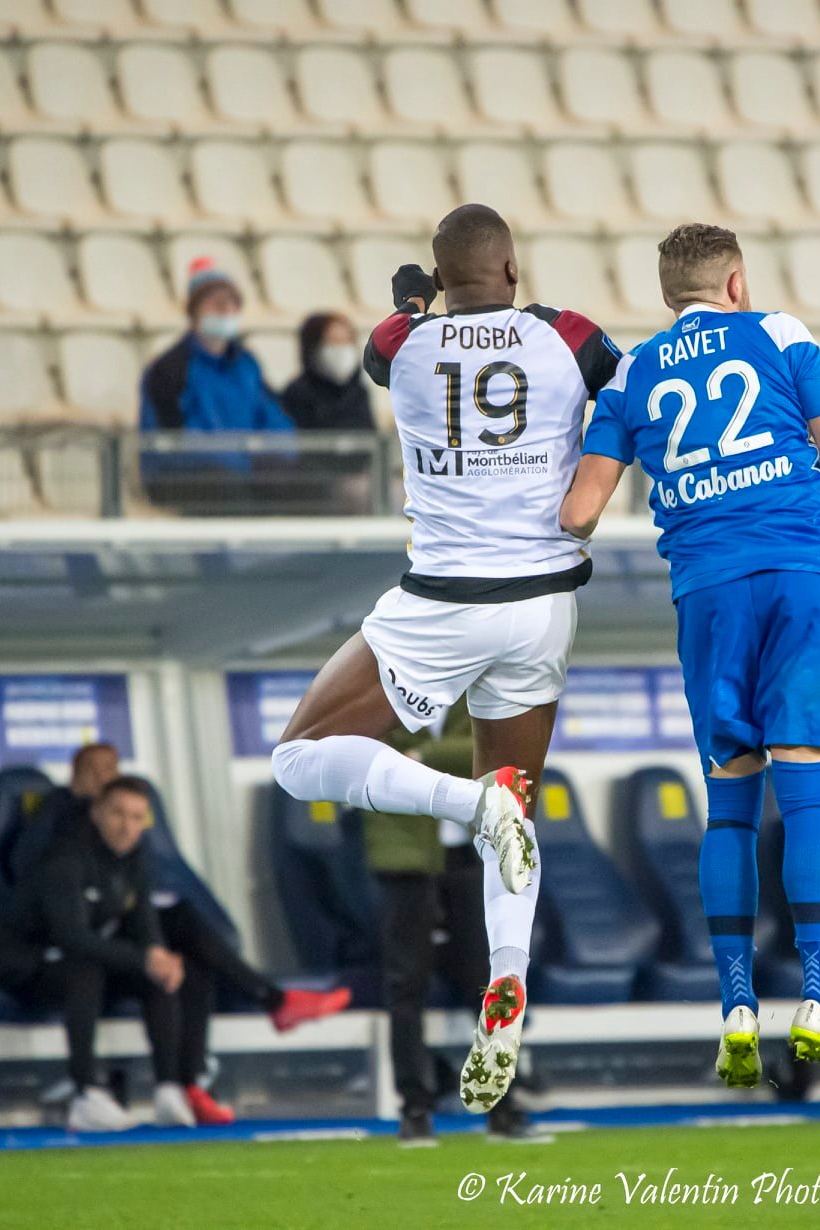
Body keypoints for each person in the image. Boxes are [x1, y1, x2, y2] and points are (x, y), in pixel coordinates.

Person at [559, 222, 820, 1090]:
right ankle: (818, 1002)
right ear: (736, 282)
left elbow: (579, 513)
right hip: (799, 576)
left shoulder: (631, 373)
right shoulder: (779, 334)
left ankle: (736, 1006)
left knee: (729, 806)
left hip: (708, 593)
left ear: (668, 294)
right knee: (807, 791)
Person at [269, 203, 623, 1119]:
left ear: (438, 277)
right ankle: (509, 980)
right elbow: (622, 389)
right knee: (517, 804)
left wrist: (418, 305)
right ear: (512, 270)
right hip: (544, 606)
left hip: (444, 603)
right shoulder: (567, 335)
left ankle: (468, 806)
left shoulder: (403, 347)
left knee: (298, 756)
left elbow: (382, 345)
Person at [11, 743, 350, 1055]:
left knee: (187, 949)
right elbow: (26, 867)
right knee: (174, 933)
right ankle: (272, 1000)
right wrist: (76, 803)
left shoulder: (125, 831)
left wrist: (156, 952)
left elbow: (139, 892)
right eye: (94, 770)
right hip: (73, 940)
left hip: (118, 923)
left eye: (110, 769)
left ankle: (190, 1078)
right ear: (75, 774)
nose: (104, 778)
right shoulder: (60, 817)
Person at [0, 777, 208, 1133]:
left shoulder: (135, 859)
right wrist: (143, 958)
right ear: (97, 813)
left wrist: (157, 956)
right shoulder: (65, 859)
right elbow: (71, 937)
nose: (127, 826)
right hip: (23, 966)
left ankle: (169, 1089)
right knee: (86, 968)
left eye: (137, 817)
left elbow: (144, 923)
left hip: (75, 963)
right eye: (118, 814)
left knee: (158, 974)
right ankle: (86, 1094)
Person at [367, 704, 532, 1144]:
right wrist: (447, 761)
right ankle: (414, 1107)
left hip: (474, 853)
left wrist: (422, 759)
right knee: (405, 984)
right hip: (404, 855)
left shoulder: (478, 691)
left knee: (493, 979)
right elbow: (369, 759)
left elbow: (500, 754)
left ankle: (502, 1103)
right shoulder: (383, 690)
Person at [138, 257, 296, 513]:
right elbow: (171, 440)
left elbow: (273, 418)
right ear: (195, 311)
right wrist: (237, 458)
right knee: (230, 488)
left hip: (241, 471)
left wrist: (274, 454)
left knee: (299, 483)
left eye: (233, 304)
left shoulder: (247, 364)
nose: (226, 310)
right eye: (217, 304)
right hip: (181, 475)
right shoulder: (170, 369)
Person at [279, 311, 379, 514]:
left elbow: (371, 443)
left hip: (360, 478)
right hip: (314, 486)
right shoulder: (297, 393)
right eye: (333, 342)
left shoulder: (359, 393)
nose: (341, 350)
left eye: (347, 342)